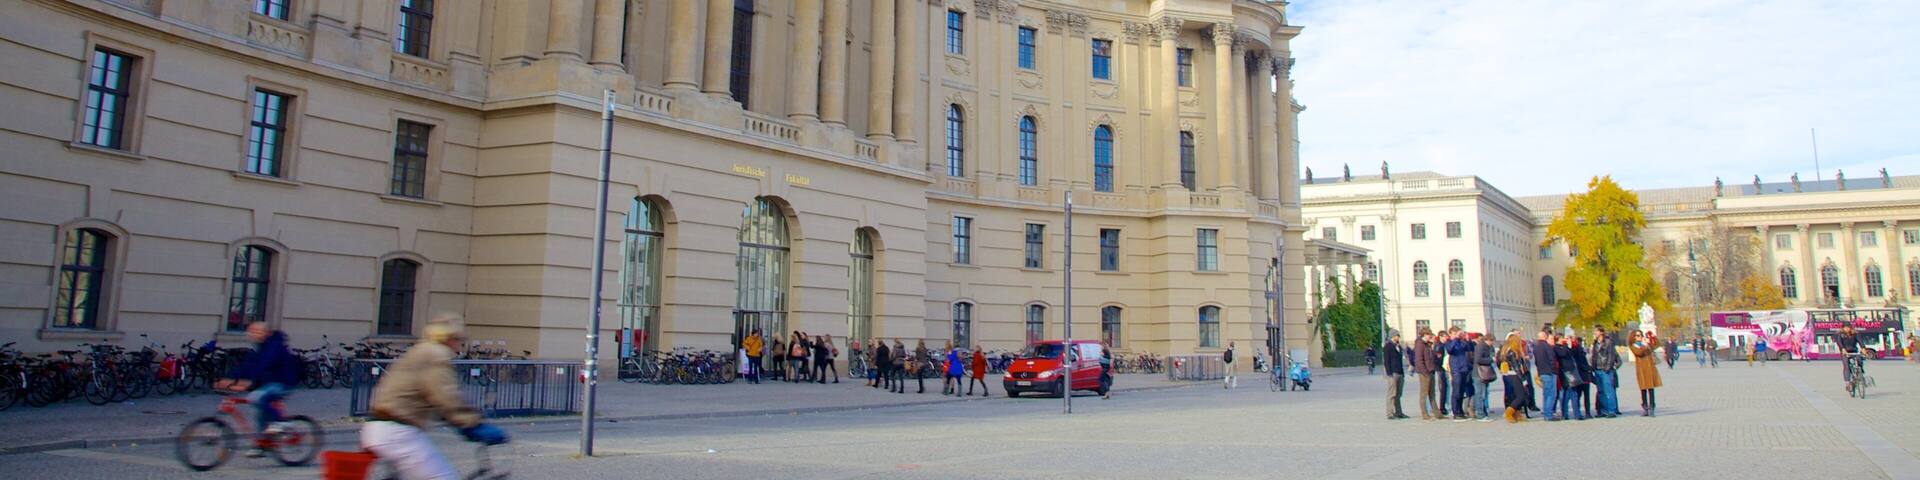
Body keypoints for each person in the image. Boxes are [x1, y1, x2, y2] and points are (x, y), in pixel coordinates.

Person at [362, 317, 508, 479]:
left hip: (379, 428)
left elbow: (430, 397)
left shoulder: (420, 350)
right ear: (449, 338)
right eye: (460, 339)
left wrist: (454, 419)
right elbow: (445, 395)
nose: (461, 344)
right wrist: (472, 424)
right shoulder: (436, 355)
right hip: (398, 433)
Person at [214, 321, 301, 457]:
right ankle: (261, 444)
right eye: (251, 332)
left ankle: (281, 424)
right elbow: (247, 365)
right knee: (260, 413)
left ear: (266, 332)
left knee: (256, 397)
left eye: (257, 332)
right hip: (269, 383)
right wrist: (228, 379)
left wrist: (247, 381)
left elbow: (264, 364)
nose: (253, 334)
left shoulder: (274, 345)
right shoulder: (260, 347)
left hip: (284, 382)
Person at [1590, 327, 1623, 418]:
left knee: (1609, 390)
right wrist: (1592, 367)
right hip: (1597, 369)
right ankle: (1603, 410)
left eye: (1596, 331)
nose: (1595, 333)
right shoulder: (1595, 343)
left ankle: (1611, 410)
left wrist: (1608, 367)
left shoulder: (1608, 342)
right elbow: (1594, 356)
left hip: (1606, 369)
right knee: (1600, 391)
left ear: (1601, 332)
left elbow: (1611, 356)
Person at [1498, 331, 1530, 423]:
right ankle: (1509, 412)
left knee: (1517, 395)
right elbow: (1516, 367)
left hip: (1510, 375)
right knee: (1521, 396)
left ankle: (1517, 414)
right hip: (1515, 375)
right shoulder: (1512, 352)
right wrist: (1523, 379)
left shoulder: (1507, 350)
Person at [1531, 328, 1562, 421]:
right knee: (1551, 394)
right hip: (1550, 373)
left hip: (1542, 372)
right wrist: (1554, 370)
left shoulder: (1536, 347)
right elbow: (1552, 359)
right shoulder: (1547, 346)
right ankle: (1549, 415)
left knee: (1546, 394)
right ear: (1545, 337)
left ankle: (1546, 413)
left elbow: (1536, 361)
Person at [1630, 330, 1663, 417]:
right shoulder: (1634, 346)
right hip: (1641, 371)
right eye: (1637, 335)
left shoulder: (1646, 345)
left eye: (1641, 335)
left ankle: (1652, 407)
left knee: (1651, 389)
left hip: (1650, 369)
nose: (1640, 337)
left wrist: (1652, 337)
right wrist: (1644, 346)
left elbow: (1657, 345)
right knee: (1643, 389)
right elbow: (1639, 353)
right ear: (1634, 337)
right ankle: (1645, 408)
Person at [1553, 334, 1585, 421]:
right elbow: (1562, 354)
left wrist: (1570, 345)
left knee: (1570, 393)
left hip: (1571, 371)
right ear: (1558, 339)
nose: (1564, 340)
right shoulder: (1556, 348)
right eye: (1562, 338)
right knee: (1570, 394)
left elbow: (1571, 353)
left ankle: (1570, 414)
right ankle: (1573, 414)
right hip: (1565, 373)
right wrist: (1566, 345)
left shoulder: (1564, 347)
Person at [1444, 329, 1475, 421]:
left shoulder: (1462, 342)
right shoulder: (1449, 342)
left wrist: (1468, 339)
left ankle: (1460, 412)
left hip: (1464, 369)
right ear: (1450, 334)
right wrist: (1455, 338)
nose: (1456, 335)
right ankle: (1455, 412)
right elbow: (1450, 350)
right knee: (1456, 392)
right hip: (1456, 370)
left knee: (1462, 392)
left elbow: (1470, 349)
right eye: (1454, 333)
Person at [1412, 330, 1439, 420]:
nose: (1430, 337)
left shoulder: (1427, 345)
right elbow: (1419, 360)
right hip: (1424, 372)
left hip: (1431, 370)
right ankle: (1425, 413)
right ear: (1425, 335)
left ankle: (1437, 413)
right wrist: (1425, 372)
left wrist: (1432, 345)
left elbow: (1434, 356)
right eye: (1429, 335)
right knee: (1424, 394)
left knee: (1432, 393)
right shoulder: (1420, 344)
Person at [1471, 333, 1496, 422]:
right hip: (1479, 373)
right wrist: (1491, 360)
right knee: (1480, 394)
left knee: (1482, 393)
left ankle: (1481, 412)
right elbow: (1478, 360)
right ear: (1489, 340)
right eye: (1492, 342)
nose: (1492, 344)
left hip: (1483, 374)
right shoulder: (1480, 347)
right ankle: (1480, 414)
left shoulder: (1485, 347)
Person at [1383, 333, 1407, 420]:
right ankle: (1390, 413)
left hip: (1400, 372)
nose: (1398, 337)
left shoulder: (1399, 346)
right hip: (1392, 373)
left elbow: (1400, 360)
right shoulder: (1388, 346)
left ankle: (1399, 412)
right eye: (1397, 336)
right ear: (1393, 336)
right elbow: (1386, 361)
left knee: (1398, 394)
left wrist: (1403, 374)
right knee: (1392, 393)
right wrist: (1389, 373)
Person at [1835, 324, 1864, 393]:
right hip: (1845, 352)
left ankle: (1860, 372)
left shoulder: (1855, 334)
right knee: (1846, 366)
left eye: (1849, 327)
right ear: (1843, 328)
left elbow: (1860, 341)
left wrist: (1863, 348)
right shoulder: (1840, 335)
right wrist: (1842, 349)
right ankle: (1848, 383)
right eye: (1846, 327)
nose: (1847, 329)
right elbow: (1839, 343)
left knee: (1859, 359)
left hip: (1854, 351)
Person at [1571, 336, 1594, 420]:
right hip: (1583, 376)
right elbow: (1581, 364)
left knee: (1579, 395)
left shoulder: (1574, 350)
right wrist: (1589, 368)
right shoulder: (1578, 351)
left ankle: (1579, 412)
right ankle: (1586, 412)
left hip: (1579, 376)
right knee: (1585, 395)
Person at [1434, 331, 1452, 417]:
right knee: (1443, 388)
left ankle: (1445, 405)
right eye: (1445, 336)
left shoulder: (1445, 345)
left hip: (1445, 369)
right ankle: (1442, 407)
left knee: (1446, 387)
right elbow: (1438, 359)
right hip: (1440, 369)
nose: (1446, 338)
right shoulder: (1439, 346)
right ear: (1440, 337)